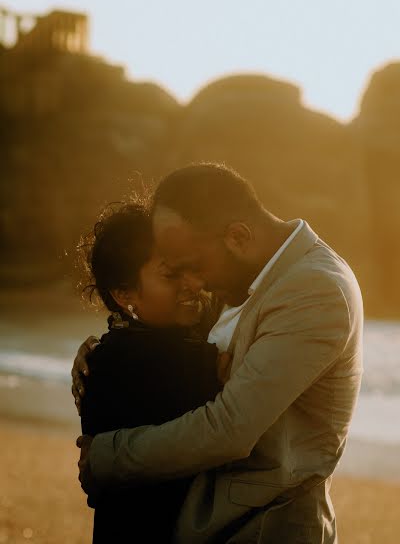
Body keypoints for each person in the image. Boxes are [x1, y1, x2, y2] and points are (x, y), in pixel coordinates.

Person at [74, 163, 363, 543]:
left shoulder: (316, 290)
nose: (194, 284)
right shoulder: (242, 280)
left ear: (238, 236)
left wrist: (103, 457)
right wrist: (104, 352)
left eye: (193, 267)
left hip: (266, 528)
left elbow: (230, 429)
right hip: (215, 522)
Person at [76, 199, 223, 543]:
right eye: (172, 274)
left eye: (193, 268)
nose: (193, 284)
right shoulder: (118, 363)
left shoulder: (128, 345)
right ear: (124, 293)